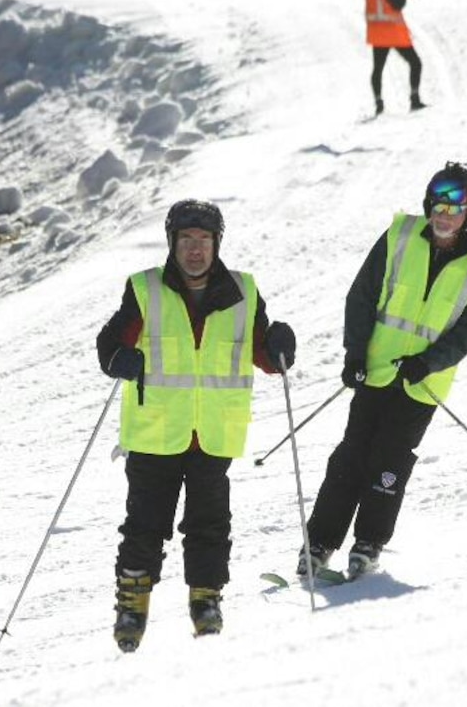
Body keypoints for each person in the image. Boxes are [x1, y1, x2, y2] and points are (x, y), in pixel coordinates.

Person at [97, 199, 296, 651]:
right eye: (186, 240)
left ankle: (206, 600)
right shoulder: (145, 289)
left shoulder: (244, 292)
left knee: (209, 522)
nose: (194, 250)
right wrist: (118, 359)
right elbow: (111, 343)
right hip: (155, 431)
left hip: (214, 432)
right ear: (172, 243)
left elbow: (265, 355)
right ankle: (132, 604)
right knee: (145, 523)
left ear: (216, 244)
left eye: (203, 241)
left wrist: (280, 347)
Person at [298, 162, 467, 577]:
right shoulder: (400, 238)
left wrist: (429, 362)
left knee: (390, 460)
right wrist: (355, 353)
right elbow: (362, 296)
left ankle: (368, 543)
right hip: (374, 370)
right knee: (352, 454)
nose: (444, 215)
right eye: (437, 205)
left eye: (455, 207)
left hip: (421, 382)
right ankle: (318, 542)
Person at [365, 0, 425, 115]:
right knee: (415, 63)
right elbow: (396, 4)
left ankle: (379, 103)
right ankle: (414, 99)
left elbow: (383, 0)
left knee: (377, 69)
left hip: (377, 34)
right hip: (393, 32)